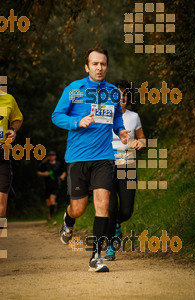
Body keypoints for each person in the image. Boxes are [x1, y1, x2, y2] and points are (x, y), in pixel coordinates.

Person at [52, 47, 131, 272]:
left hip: (104, 157)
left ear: (106, 66)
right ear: (87, 67)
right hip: (77, 157)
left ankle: (96, 257)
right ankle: (68, 220)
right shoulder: (74, 89)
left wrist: (122, 130)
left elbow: (116, 117)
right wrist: (77, 122)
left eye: (103, 64)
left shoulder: (113, 93)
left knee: (103, 204)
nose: (99, 68)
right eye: (95, 64)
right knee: (78, 208)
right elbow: (56, 116)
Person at [104, 80, 145, 261]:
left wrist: (139, 142)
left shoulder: (134, 117)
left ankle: (118, 223)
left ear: (128, 98)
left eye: (124, 96)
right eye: (116, 95)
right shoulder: (103, 116)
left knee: (126, 210)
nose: (120, 99)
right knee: (110, 207)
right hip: (105, 166)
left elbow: (143, 138)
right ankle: (110, 246)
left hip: (127, 165)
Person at [0, 87, 23, 219]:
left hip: (2, 152)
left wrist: (13, 129)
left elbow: (17, 118)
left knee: (1, 207)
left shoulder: (8, 99)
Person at [37, 151, 66, 221]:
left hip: (56, 184)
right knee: (48, 202)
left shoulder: (59, 164)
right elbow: (38, 172)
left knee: (52, 199)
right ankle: (53, 210)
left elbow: (64, 171)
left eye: (53, 155)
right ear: (48, 157)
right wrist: (43, 174)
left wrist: (62, 176)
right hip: (47, 185)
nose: (51, 156)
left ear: (55, 156)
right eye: (50, 155)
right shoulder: (45, 164)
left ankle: (51, 216)